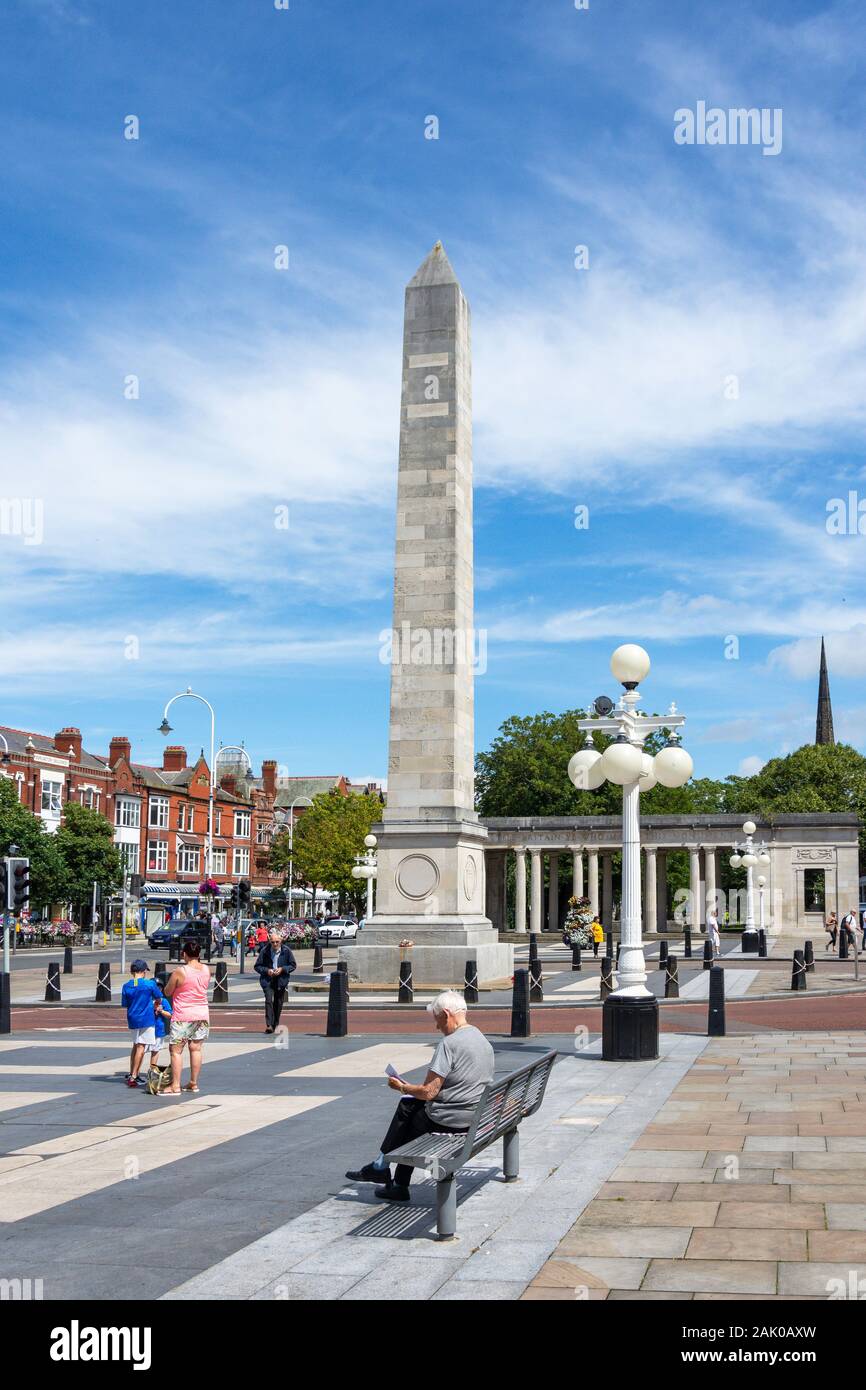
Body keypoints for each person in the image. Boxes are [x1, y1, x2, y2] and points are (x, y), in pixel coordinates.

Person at [346, 990, 494, 1205]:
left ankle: (382, 1169)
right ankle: (388, 1175)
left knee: (408, 1114)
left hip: (452, 1119)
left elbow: (429, 1092)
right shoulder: (480, 1037)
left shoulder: (449, 1044)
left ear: (446, 1014)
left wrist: (402, 1087)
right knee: (410, 1110)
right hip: (475, 1114)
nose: (437, 1027)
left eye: (437, 1020)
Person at [161, 939, 211, 1095]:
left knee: (176, 1050)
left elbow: (167, 992)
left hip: (183, 1015)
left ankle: (175, 1085)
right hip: (202, 1014)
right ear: (198, 954)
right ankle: (193, 1083)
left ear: (184, 954)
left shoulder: (180, 971)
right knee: (196, 1049)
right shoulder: (206, 969)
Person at [121, 960, 166, 1089]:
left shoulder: (126, 985)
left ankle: (132, 1071)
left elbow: (125, 1003)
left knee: (136, 1045)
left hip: (132, 1017)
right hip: (146, 1018)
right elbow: (159, 997)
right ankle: (134, 1076)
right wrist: (157, 1003)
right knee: (141, 1046)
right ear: (144, 971)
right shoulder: (149, 984)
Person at [254, 927, 297, 1034]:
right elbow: (257, 966)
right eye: (272, 942)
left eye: (277, 942)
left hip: (281, 979)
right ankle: (269, 1025)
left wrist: (282, 969)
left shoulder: (286, 951)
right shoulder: (265, 951)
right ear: (270, 941)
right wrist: (267, 970)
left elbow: (293, 965)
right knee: (268, 1000)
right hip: (268, 979)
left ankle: (275, 1023)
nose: (275, 944)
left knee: (278, 1002)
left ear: (281, 941)